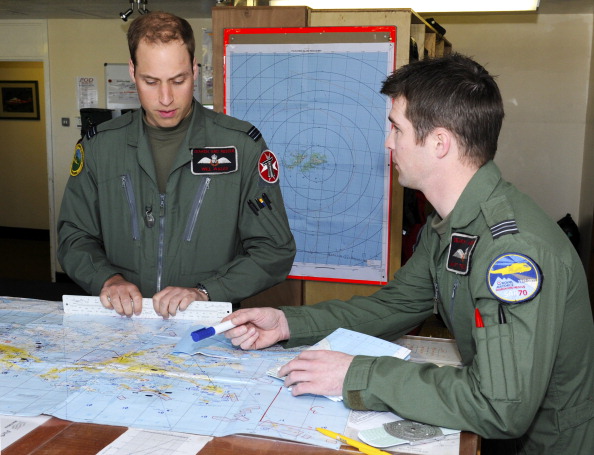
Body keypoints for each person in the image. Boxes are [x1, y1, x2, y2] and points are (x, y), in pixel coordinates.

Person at [225, 54, 594, 454]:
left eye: (396, 128)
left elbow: (500, 405)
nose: (388, 142)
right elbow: (395, 305)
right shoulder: (452, 223)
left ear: (439, 142)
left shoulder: (512, 251)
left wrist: (358, 375)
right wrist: (286, 323)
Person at [58, 11, 295, 318]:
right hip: (122, 322)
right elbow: (74, 235)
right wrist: (107, 278)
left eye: (178, 80)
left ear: (195, 71)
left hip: (206, 325)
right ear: (132, 72)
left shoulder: (241, 146)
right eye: (151, 81)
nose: (166, 98)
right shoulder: (100, 146)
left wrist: (207, 291)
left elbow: (274, 250)